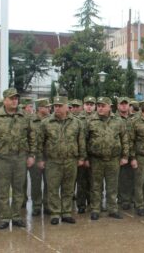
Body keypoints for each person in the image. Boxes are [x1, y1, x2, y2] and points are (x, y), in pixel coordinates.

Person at [0, 88, 34, 229]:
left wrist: (32, 155)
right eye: (11, 98)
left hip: (20, 158)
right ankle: (6, 217)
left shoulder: (25, 116)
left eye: (16, 98)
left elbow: (31, 137)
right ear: (5, 100)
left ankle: (16, 216)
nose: (15, 101)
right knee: (3, 189)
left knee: (19, 189)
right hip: (2, 158)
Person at [36, 96, 86, 225]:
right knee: (53, 188)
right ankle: (55, 213)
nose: (57, 108)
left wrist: (82, 157)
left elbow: (81, 141)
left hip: (71, 160)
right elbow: (40, 143)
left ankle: (66, 212)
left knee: (68, 188)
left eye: (59, 106)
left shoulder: (76, 122)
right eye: (55, 106)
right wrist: (40, 159)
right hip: (53, 161)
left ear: (66, 107)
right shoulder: (46, 123)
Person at [86, 97, 129, 220]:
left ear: (110, 107)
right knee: (96, 186)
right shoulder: (90, 121)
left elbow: (124, 139)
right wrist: (85, 158)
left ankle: (112, 209)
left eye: (103, 106)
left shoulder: (118, 121)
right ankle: (95, 209)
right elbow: (84, 140)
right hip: (96, 159)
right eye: (98, 105)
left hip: (113, 159)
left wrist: (125, 156)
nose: (100, 108)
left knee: (112, 185)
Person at [29, 98, 51, 216]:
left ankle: (47, 205)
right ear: (39, 108)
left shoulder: (51, 120)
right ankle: (36, 206)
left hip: (49, 157)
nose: (49, 109)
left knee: (49, 183)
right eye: (46, 107)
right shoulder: (31, 121)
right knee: (36, 183)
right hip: (36, 157)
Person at [75, 96, 96, 214]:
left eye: (91, 104)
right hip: (82, 156)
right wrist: (83, 157)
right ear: (83, 105)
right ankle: (81, 204)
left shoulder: (98, 118)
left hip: (94, 156)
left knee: (94, 182)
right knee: (81, 182)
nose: (89, 106)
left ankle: (93, 203)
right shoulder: (77, 119)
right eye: (87, 104)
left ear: (95, 106)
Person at [116, 97, 135, 210]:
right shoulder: (114, 119)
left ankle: (131, 198)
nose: (123, 106)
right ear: (117, 106)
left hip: (133, 152)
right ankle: (123, 199)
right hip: (120, 153)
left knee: (132, 177)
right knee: (121, 178)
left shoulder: (135, 118)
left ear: (129, 105)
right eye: (121, 104)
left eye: (125, 104)